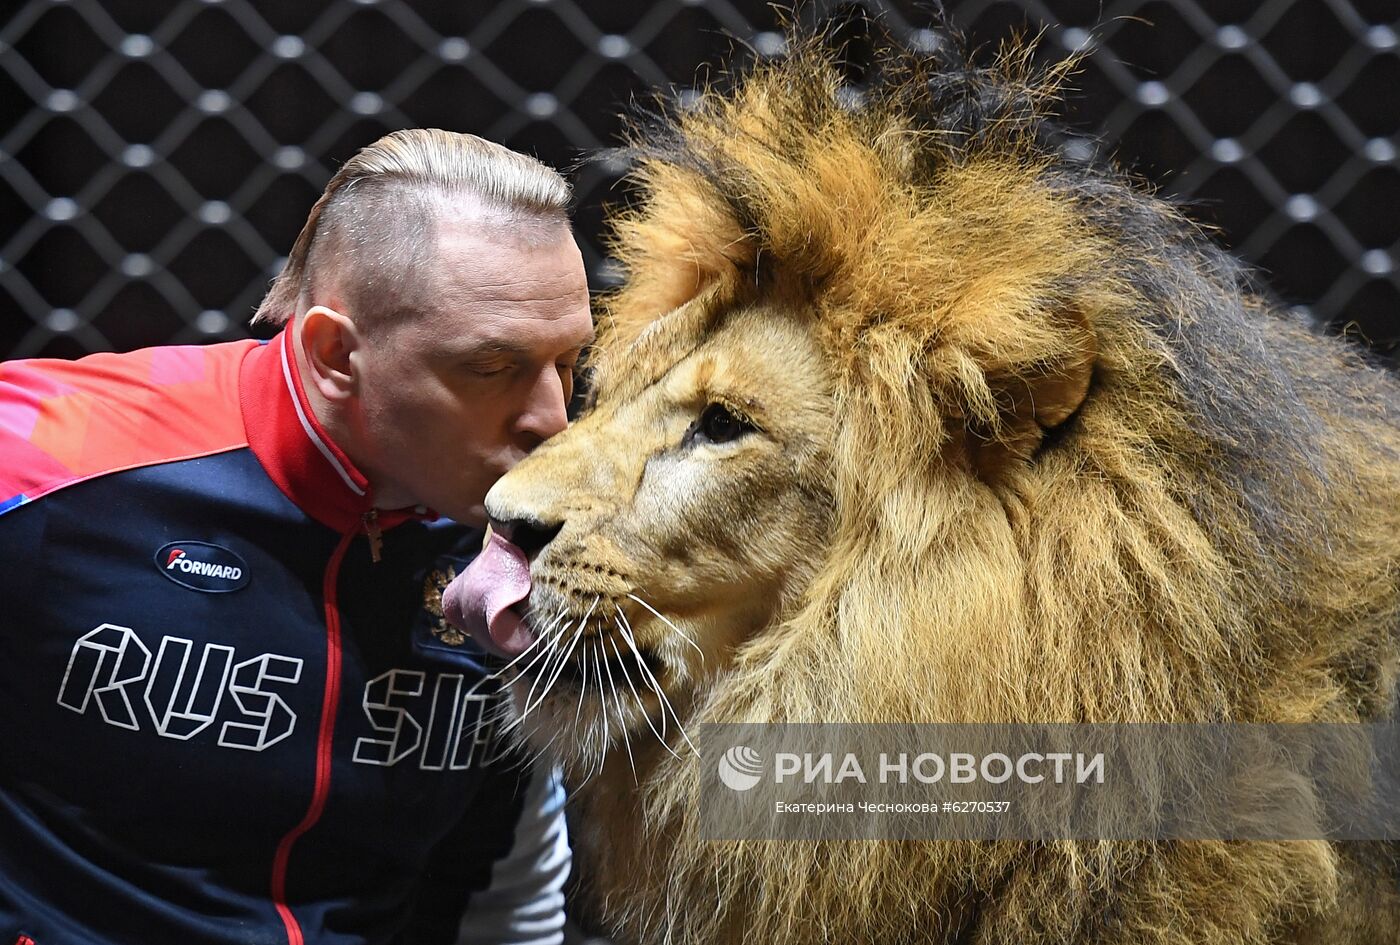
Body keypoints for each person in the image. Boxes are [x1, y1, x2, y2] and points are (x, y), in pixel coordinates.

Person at [0, 129, 595, 945]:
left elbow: (504, 889)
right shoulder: (48, 458)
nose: (554, 422)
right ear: (334, 353)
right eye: (491, 367)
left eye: (569, 363)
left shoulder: (535, 538)